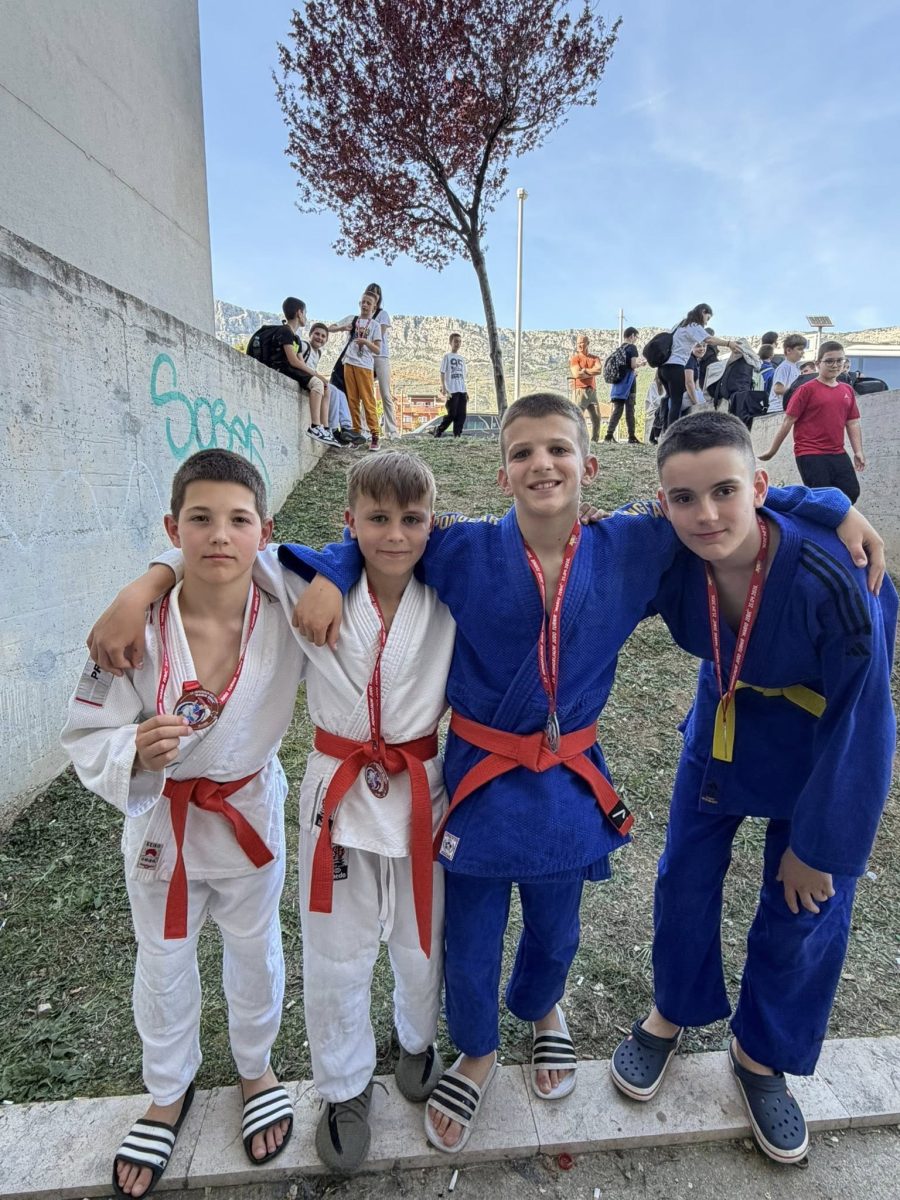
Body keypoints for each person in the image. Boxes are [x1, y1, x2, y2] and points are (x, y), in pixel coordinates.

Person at [286, 393, 880, 1156]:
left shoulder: (632, 542)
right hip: (480, 780)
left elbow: (730, 497)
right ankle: (477, 1049)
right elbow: (385, 541)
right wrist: (333, 569)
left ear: (589, 465)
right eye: (523, 452)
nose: (542, 464)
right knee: (468, 932)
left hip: (568, 780)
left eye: (558, 449)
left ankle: (544, 1010)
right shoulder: (460, 548)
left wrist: (832, 504)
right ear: (502, 473)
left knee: (557, 924)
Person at [83, 454, 458, 1177]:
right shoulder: (292, 583)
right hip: (327, 795)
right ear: (349, 524)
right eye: (375, 520)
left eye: (412, 520)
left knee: (421, 936)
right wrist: (142, 586)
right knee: (330, 950)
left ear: (431, 524)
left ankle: (414, 1041)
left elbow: (234, 542)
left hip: (414, 788)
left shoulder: (444, 585)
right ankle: (342, 1087)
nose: (395, 534)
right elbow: (221, 549)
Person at [610, 410, 896, 1166]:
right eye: (683, 498)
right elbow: (577, 540)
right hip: (726, 719)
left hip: (818, 741)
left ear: (760, 487)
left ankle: (761, 1053)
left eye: (725, 492)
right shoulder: (670, 553)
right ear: (663, 502)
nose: (706, 514)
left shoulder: (833, 576)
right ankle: (674, 1007)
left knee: (806, 901)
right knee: (684, 873)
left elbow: (864, 719)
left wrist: (820, 846)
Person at [62, 450, 300, 1197]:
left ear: (264, 531)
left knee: (255, 948)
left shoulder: (289, 601)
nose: (219, 535)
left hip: (247, 813)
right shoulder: (135, 628)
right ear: (173, 528)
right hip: (164, 825)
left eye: (238, 520)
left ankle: (256, 1070)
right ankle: (167, 1092)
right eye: (200, 519)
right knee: (162, 957)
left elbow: (367, 556)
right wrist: (131, 750)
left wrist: (148, 576)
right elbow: (85, 732)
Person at [760, 341, 865, 502]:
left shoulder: (847, 390)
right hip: (810, 452)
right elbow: (788, 421)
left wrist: (858, 451)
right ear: (818, 363)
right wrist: (772, 451)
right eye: (829, 361)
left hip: (837, 451)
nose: (835, 365)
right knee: (822, 497)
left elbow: (852, 422)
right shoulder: (805, 390)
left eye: (839, 360)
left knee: (851, 492)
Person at [660, 306, 740, 430]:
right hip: (675, 366)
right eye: (707, 318)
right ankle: (672, 434)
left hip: (663, 368)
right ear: (703, 312)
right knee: (676, 403)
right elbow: (709, 339)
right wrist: (729, 343)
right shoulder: (693, 325)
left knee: (671, 401)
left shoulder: (680, 325)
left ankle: (667, 432)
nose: (706, 323)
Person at [328, 291, 383, 451]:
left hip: (365, 365)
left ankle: (375, 435)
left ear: (374, 307)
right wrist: (342, 328)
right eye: (363, 302)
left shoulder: (375, 325)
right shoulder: (353, 320)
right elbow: (330, 328)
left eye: (369, 303)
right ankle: (356, 435)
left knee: (367, 399)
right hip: (348, 362)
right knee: (352, 400)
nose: (365, 305)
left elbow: (378, 349)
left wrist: (366, 342)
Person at [366, 282, 399, 438]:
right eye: (371, 291)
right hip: (366, 357)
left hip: (381, 356)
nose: (374, 294)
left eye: (377, 292)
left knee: (385, 393)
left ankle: (391, 430)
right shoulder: (363, 316)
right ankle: (366, 429)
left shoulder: (382, 314)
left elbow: (380, 333)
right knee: (366, 393)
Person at [605, 327, 643, 443]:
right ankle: (631, 436)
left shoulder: (620, 349)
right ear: (632, 336)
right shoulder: (632, 348)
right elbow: (633, 365)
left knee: (618, 409)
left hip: (618, 383)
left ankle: (608, 435)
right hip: (629, 383)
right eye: (636, 337)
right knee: (630, 409)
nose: (636, 339)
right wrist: (641, 364)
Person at [303, 323, 337, 445]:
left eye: (323, 336)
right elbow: (299, 363)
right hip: (301, 375)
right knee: (319, 384)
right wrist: (319, 377)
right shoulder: (304, 345)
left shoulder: (318, 353)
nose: (320, 338)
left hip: (310, 377)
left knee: (327, 388)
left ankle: (326, 428)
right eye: (317, 334)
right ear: (310, 334)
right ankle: (315, 426)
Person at [569, 334, 603, 442]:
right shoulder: (575, 359)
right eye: (578, 343)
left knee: (596, 417)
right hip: (579, 391)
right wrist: (591, 372)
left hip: (592, 391)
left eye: (582, 343)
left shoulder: (595, 358)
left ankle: (594, 440)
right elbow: (576, 374)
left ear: (588, 343)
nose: (579, 345)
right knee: (576, 417)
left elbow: (599, 370)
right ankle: (576, 440)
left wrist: (585, 371)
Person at [434, 332, 469, 438]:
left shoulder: (462, 358)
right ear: (450, 343)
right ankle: (439, 429)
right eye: (455, 341)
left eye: (459, 342)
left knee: (462, 414)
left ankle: (457, 435)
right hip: (452, 390)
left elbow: (463, 377)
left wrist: (466, 391)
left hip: (462, 390)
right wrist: (444, 387)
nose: (458, 344)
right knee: (452, 413)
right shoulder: (447, 357)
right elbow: (442, 372)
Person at [768, 335, 808, 415]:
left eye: (803, 349)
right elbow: (778, 389)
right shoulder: (784, 367)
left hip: (788, 408)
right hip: (778, 409)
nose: (802, 352)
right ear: (788, 350)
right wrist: (798, 392)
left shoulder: (796, 369)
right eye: (799, 349)